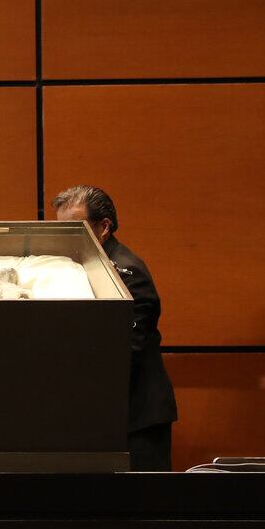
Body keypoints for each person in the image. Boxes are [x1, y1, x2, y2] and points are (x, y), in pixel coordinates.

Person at [52, 185, 178, 471]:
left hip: (136, 417)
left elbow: (128, 347)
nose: (66, 236)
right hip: (104, 412)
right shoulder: (84, 266)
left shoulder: (127, 272)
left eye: (75, 227)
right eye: (61, 228)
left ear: (104, 226)